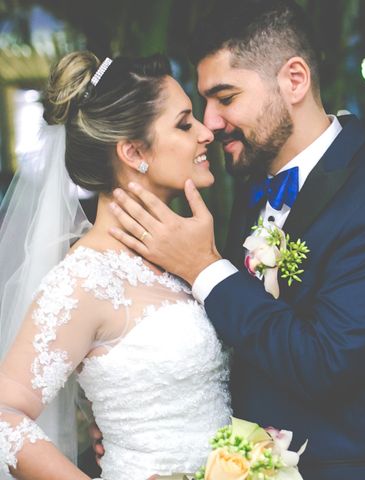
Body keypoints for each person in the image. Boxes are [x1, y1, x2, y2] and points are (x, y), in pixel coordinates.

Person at [107, 1, 365, 478]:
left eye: (225, 97)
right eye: (204, 103)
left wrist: (204, 268)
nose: (210, 123)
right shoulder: (251, 185)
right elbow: (240, 343)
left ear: (294, 80)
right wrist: (141, 422)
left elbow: (323, 365)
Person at [0, 51, 231, 479]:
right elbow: (4, 414)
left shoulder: (181, 255)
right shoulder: (85, 278)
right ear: (132, 151)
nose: (206, 133)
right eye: (184, 124)